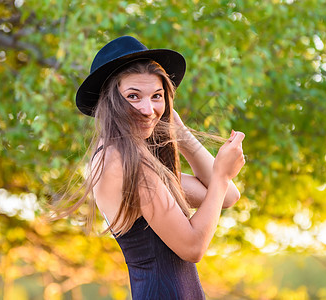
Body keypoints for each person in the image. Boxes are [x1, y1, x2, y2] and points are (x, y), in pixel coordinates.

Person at [69, 36, 245, 299]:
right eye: (133, 96)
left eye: (157, 96)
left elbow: (228, 196)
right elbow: (193, 246)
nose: (148, 109)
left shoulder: (133, 158)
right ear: (110, 102)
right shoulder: (123, 162)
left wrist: (181, 133)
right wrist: (220, 174)